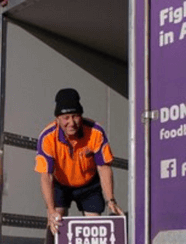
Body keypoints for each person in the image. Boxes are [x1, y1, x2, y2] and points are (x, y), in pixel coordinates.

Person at [35, 88, 124, 234]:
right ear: (57, 119)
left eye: (75, 116)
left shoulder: (95, 132)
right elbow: (46, 175)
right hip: (60, 183)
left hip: (88, 183)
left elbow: (103, 167)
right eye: (66, 117)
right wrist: (51, 211)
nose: (71, 123)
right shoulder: (47, 137)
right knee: (55, 222)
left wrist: (111, 200)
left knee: (95, 227)